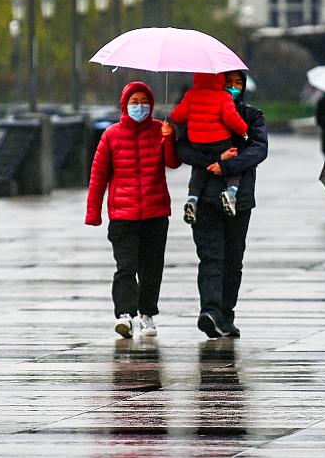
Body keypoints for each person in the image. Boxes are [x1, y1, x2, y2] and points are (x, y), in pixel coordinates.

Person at [176, 70, 267, 339]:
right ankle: (211, 311)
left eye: (239, 83)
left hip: (239, 199)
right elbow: (182, 149)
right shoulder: (199, 109)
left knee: (233, 259)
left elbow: (259, 149)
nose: (234, 87)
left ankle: (225, 315)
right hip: (204, 197)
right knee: (211, 256)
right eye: (229, 82)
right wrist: (213, 161)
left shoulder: (252, 116)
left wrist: (226, 165)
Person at [86, 81, 179, 338]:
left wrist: (170, 140)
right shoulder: (111, 135)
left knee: (151, 267)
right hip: (123, 214)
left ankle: (147, 314)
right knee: (125, 266)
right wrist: (93, 212)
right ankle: (124, 315)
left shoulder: (161, 129)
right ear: (125, 106)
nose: (140, 106)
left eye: (144, 101)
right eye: (134, 102)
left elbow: (173, 162)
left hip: (155, 212)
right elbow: (98, 176)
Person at [169, 72, 249, 224]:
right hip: (221, 142)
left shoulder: (191, 94)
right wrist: (243, 129)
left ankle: (192, 199)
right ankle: (231, 192)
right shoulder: (223, 96)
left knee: (200, 169)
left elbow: (177, 116)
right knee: (233, 164)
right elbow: (231, 119)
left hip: (197, 143)